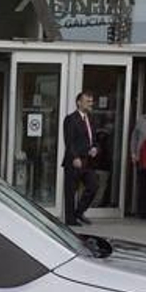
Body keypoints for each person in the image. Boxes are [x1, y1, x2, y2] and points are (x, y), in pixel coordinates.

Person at [61, 91, 100, 226]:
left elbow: (94, 139)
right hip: (74, 160)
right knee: (71, 191)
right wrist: (75, 157)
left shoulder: (92, 119)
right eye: (87, 101)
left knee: (93, 186)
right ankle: (70, 220)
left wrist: (95, 148)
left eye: (91, 101)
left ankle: (79, 212)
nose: (91, 104)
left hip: (88, 160)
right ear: (79, 102)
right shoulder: (71, 119)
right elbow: (69, 141)